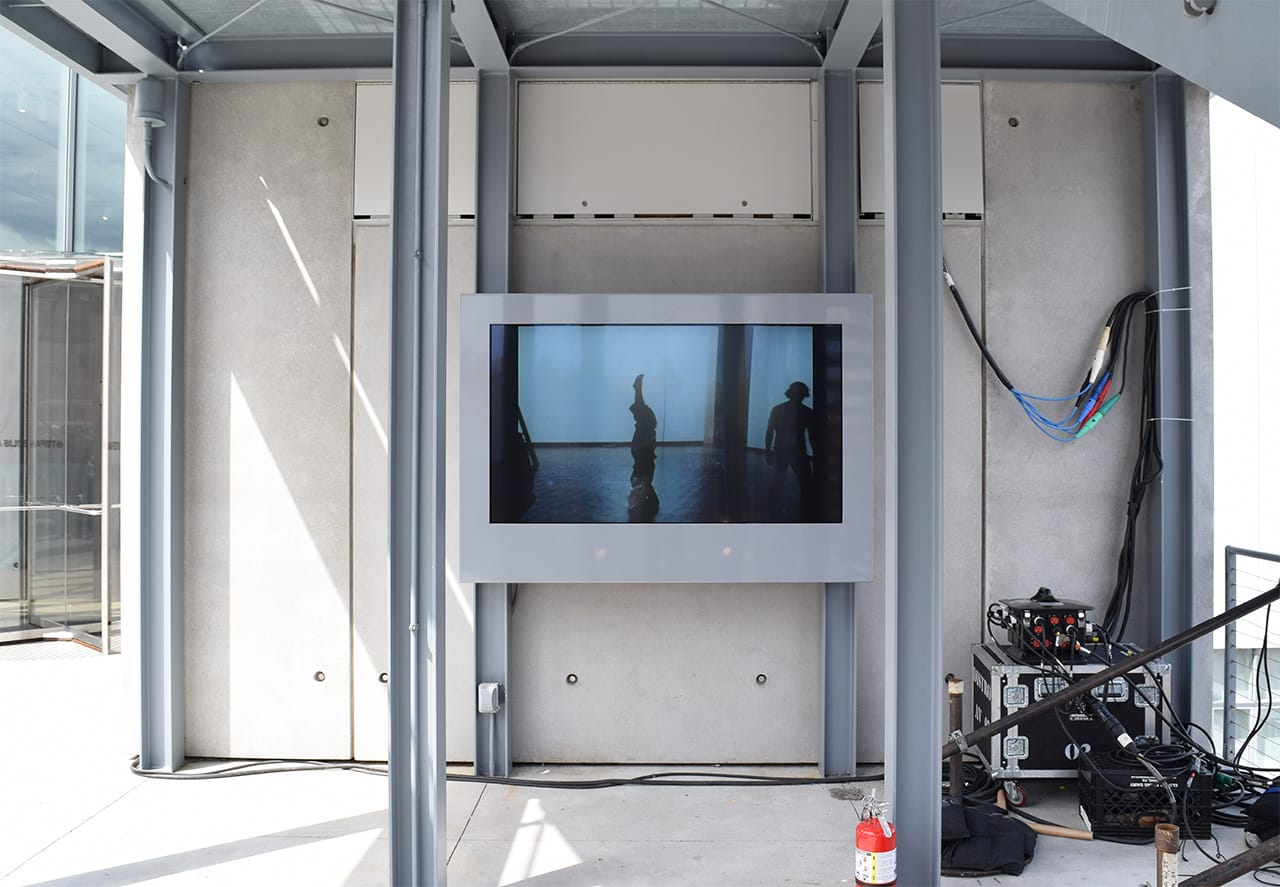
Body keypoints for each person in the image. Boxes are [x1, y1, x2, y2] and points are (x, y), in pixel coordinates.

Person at [764, 380, 816, 518]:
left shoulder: (777, 409)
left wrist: (768, 451)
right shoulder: (807, 412)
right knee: (805, 484)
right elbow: (812, 436)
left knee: (778, 481)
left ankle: (770, 510)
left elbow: (769, 432)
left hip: (781, 450)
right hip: (797, 451)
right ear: (804, 395)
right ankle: (806, 514)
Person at [627, 373, 660, 521]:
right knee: (642, 411)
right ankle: (637, 388)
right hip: (643, 449)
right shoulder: (643, 477)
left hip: (642, 449)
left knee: (642, 411)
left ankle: (637, 388)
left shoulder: (641, 478)